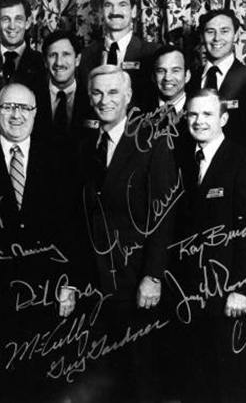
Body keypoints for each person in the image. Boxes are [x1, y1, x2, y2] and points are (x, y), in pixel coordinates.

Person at [0, 82, 76, 402]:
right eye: (8, 107)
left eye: (24, 108)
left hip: (44, 293)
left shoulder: (56, 159)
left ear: (36, 114)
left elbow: (71, 226)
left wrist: (70, 284)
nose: (16, 115)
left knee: (40, 385)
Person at [74, 65, 176, 401]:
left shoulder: (151, 143)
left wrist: (153, 276)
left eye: (113, 93)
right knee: (104, 380)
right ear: (89, 97)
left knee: (141, 378)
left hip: (137, 282)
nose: (105, 101)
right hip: (97, 284)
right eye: (98, 93)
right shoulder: (84, 145)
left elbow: (163, 216)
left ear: (128, 96)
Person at [170, 88, 246, 402]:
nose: (199, 121)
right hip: (187, 295)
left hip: (227, 294)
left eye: (208, 114)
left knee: (228, 385)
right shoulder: (180, 159)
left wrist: (241, 288)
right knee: (192, 383)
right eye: (193, 114)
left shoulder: (245, 160)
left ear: (223, 118)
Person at [188, 9, 246, 151]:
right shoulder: (188, 79)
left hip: (238, 167)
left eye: (224, 31)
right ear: (201, 36)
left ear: (236, 35)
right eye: (210, 31)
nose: (217, 38)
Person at [78, 0, 160, 108]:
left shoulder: (153, 53)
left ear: (133, 11)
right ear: (101, 12)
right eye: (108, 5)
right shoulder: (85, 56)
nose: (115, 11)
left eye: (122, 5)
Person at [0, 0, 45, 105]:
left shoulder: (41, 62)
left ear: (27, 22)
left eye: (18, 19)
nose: (12, 26)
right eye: (6, 19)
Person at [34, 30, 92, 142]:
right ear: (45, 62)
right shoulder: (32, 98)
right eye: (52, 55)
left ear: (78, 59)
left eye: (66, 54)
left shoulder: (91, 99)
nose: (59, 62)